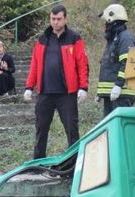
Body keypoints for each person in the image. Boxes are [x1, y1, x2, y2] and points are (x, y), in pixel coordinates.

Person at [24, 4, 89, 159]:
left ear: (65, 19)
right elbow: (35, 65)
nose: (55, 22)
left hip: (67, 94)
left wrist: (83, 87)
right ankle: (38, 163)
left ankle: (74, 164)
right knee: (41, 129)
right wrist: (29, 86)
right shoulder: (42, 40)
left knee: (72, 130)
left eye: (59, 19)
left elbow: (82, 64)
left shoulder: (74, 38)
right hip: (45, 93)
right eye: (53, 19)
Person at [96, 4, 135, 117]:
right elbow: (109, 66)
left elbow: (127, 63)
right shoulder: (114, 39)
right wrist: (100, 92)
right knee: (110, 126)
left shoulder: (125, 38)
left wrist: (118, 85)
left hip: (122, 94)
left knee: (119, 125)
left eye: (106, 22)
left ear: (112, 21)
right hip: (112, 94)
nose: (105, 25)